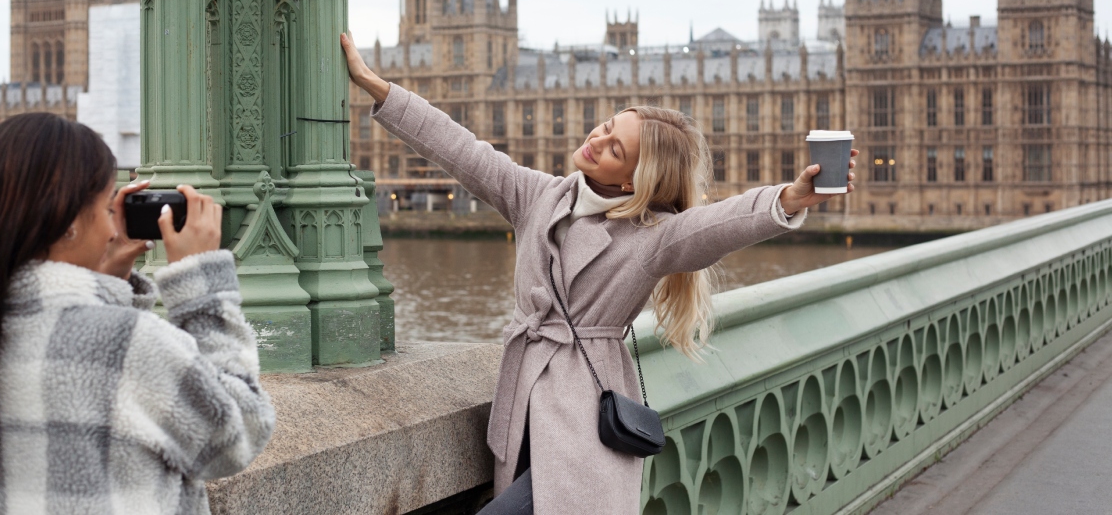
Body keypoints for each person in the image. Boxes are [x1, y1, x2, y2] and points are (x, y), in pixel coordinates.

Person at [340, 33, 857, 514]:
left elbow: (714, 226)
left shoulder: (654, 235)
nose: (597, 141)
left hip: (580, 414)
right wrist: (378, 88)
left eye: (616, 149)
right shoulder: (541, 196)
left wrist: (786, 200)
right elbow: (463, 151)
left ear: (637, 177)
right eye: (607, 127)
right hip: (520, 395)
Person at [0, 113, 274, 515]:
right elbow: (239, 431)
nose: (109, 230)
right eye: (105, 209)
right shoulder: (125, 343)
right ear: (68, 223)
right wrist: (202, 286)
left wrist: (105, 280)